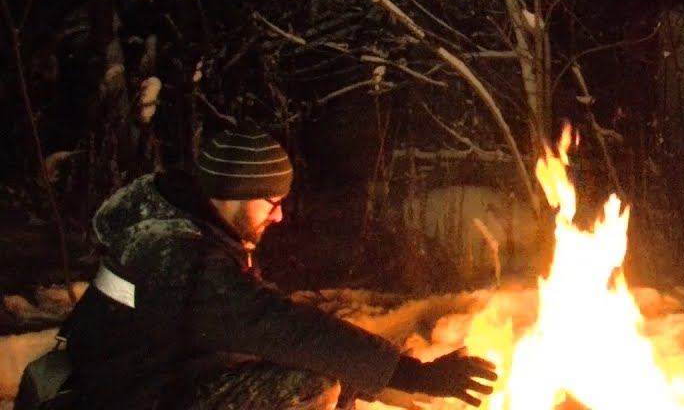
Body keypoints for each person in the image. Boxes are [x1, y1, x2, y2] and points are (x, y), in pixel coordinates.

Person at [59, 128, 498, 410]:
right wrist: (410, 374)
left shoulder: (189, 230)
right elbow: (277, 326)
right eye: (272, 201)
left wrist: (387, 379)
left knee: (329, 369)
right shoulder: (173, 253)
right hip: (129, 395)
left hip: (158, 373)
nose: (280, 216)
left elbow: (261, 321)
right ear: (234, 193)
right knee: (312, 383)